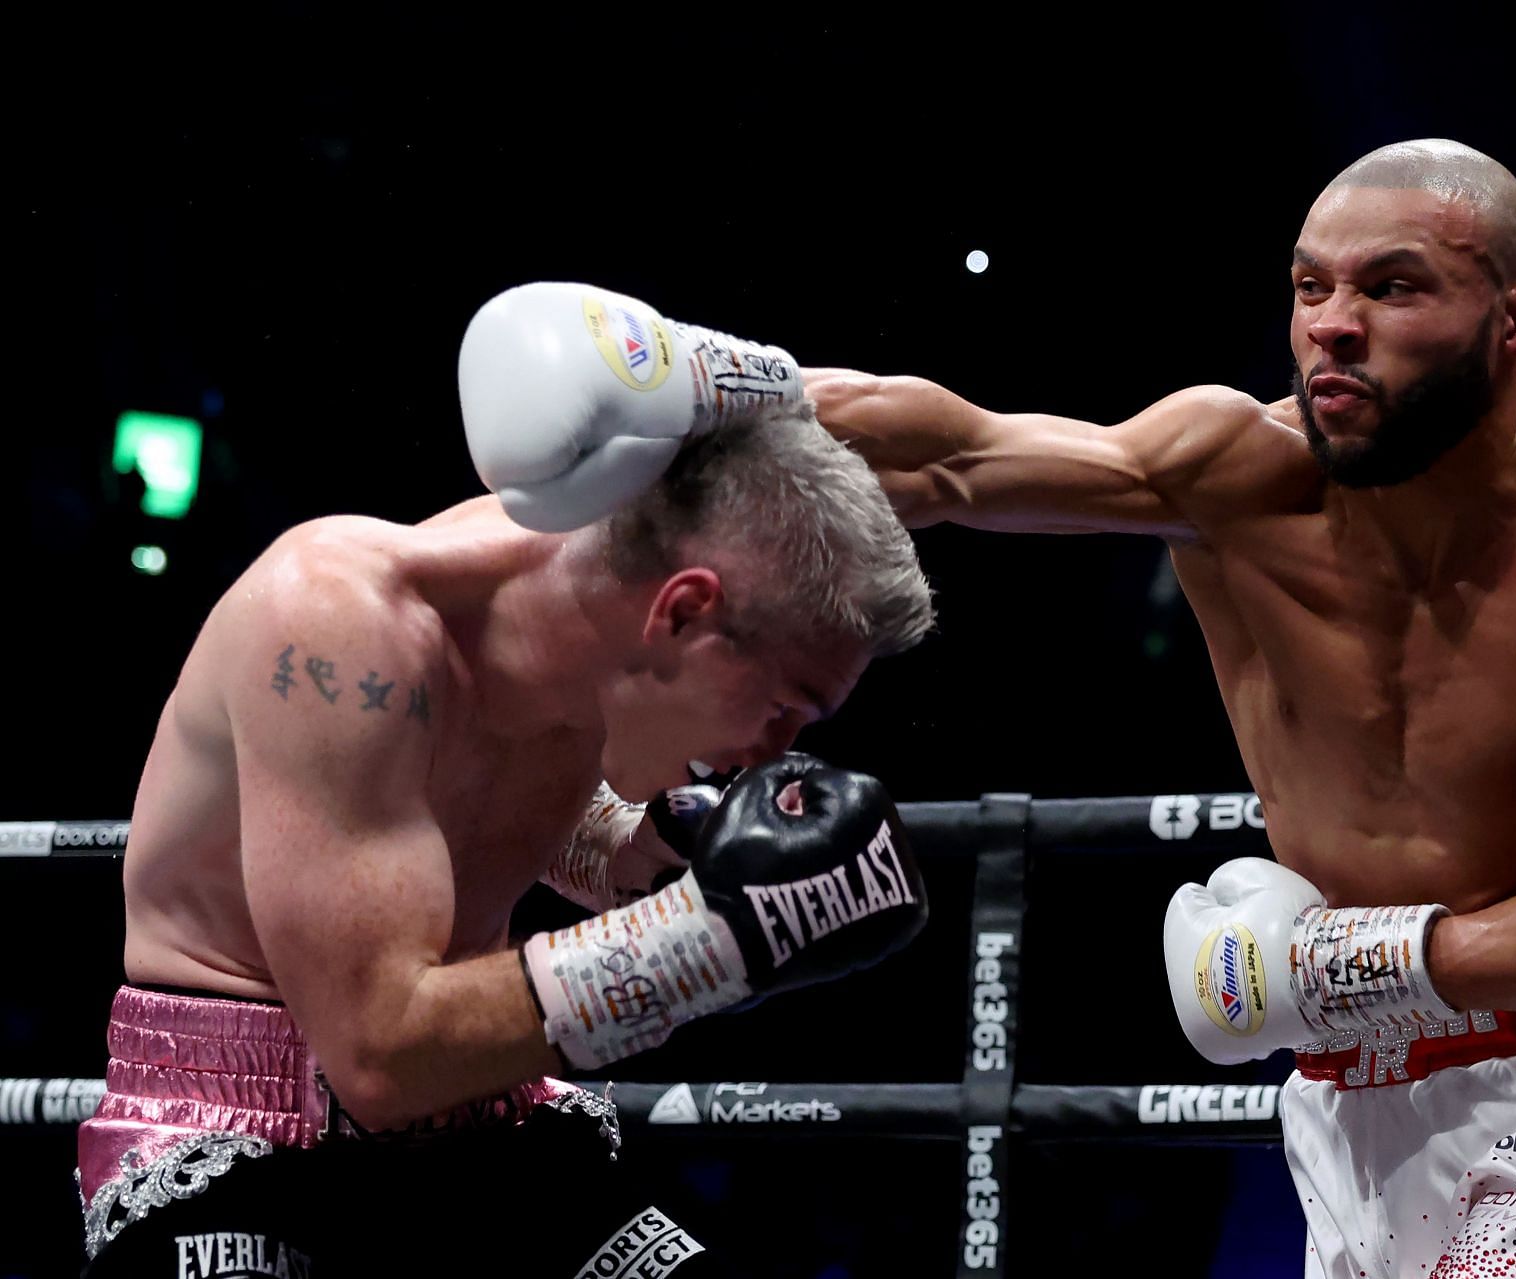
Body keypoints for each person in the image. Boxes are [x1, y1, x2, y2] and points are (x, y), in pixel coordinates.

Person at [806, 139, 1516, 1277]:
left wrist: (1336, 967)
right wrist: (688, 385)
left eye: (1392, 286)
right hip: (1356, 1090)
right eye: (1310, 285)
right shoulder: (1232, 476)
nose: (1332, 322)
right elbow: (947, 459)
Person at [79, 283, 937, 1277]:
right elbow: (381, 1057)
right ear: (684, 612)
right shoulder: (338, 626)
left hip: (487, 1119)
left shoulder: (584, 618)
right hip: (239, 1125)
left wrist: (654, 852)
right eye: (786, 706)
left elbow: (502, 807)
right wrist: (709, 940)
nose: (775, 750)